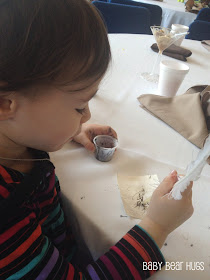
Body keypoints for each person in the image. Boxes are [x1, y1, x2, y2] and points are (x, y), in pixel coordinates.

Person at [0, 0, 193, 279]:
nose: (88, 114)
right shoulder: (6, 213)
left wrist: (74, 129)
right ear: (6, 103)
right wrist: (157, 226)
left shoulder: (16, 135)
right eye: (80, 106)